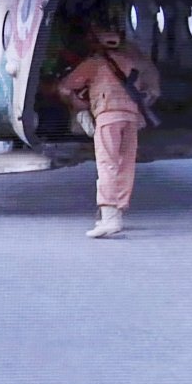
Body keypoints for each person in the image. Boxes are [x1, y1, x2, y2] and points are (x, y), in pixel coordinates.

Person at [57, 23, 160, 238]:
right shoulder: (132, 63)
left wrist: (80, 105)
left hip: (107, 116)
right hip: (131, 117)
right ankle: (119, 212)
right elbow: (145, 90)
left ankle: (109, 216)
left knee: (107, 163)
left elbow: (66, 87)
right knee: (125, 163)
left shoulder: (93, 64)